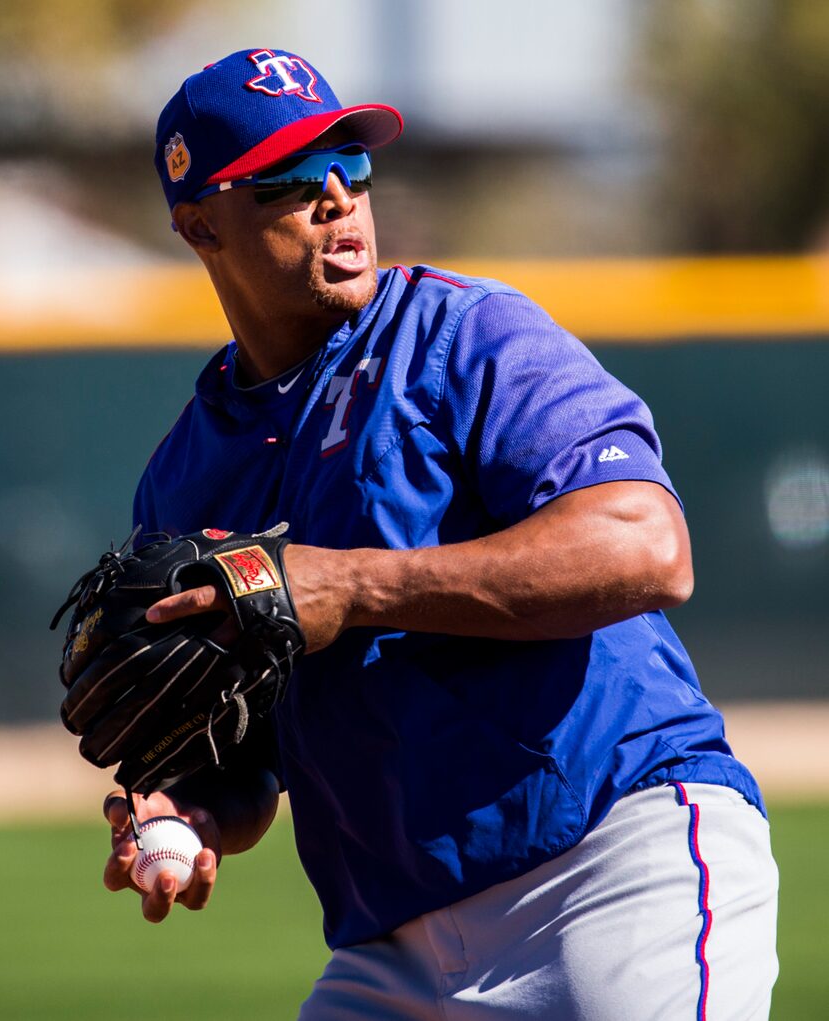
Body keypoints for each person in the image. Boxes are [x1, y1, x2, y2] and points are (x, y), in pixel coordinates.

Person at [102, 47, 778, 1019]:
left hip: (610, 869)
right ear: (200, 222)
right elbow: (244, 754)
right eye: (291, 179)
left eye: (351, 166)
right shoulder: (185, 476)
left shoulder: (465, 336)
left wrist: (353, 586)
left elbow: (645, 546)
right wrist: (192, 805)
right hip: (395, 946)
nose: (336, 197)